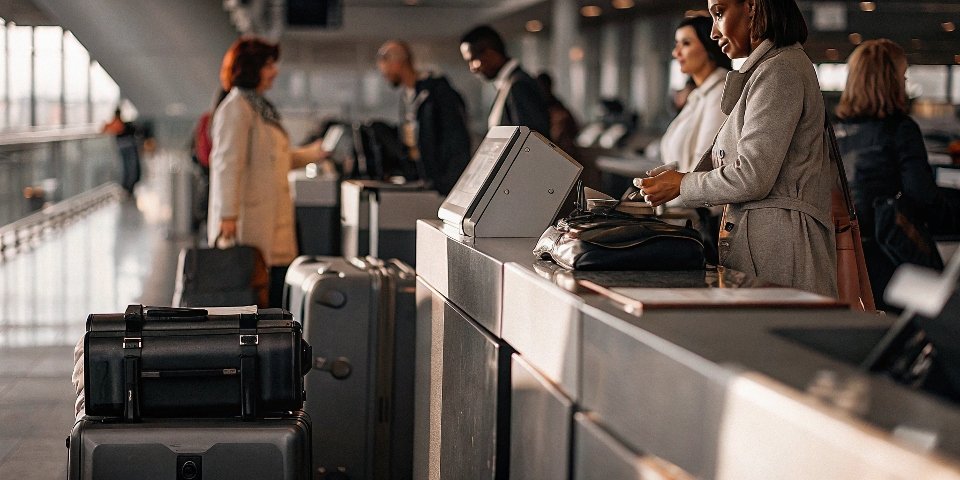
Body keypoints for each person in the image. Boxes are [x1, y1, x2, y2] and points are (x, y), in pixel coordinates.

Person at [635, 0, 837, 297]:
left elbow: (752, 175)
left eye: (719, 14)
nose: (714, 32)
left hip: (781, 248)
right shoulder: (769, 69)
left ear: (753, 7)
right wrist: (679, 180)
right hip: (771, 243)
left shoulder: (780, 70)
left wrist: (683, 184)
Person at [834, 39, 960, 309]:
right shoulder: (901, 129)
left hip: (847, 258)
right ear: (890, 81)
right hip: (891, 258)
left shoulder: (835, 133)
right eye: (902, 76)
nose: (905, 84)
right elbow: (923, 196)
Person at [207, 36, 329, 307]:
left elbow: (276, 159)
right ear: (251, 68)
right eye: (268, 64)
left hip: (271, 221)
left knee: (269, 294)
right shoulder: (236, 108)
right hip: (250, 224)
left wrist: (314, 154)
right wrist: (227, 216)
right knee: (250, 297)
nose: (274, 71)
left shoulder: (259, 108)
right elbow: (227, 164)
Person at [376, 40, 472, 195]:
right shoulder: (406, 97)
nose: (385, 75)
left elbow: (456, 140)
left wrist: (447, 183)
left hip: (441, 185)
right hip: (421, 181)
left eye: (386, 70)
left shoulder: (437, 93)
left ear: (399, 62)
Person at [660, 15, 732, 174]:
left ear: (708, 47)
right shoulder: (698, 96)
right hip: (681, 197)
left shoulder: (720, 93)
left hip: (693, 197)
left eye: (686, 43)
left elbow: (703, 165)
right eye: (676, 44)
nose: (676, 52)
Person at [460, 25, 550, 137]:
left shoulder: (519, 85)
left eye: (473, 60)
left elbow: (531, 143)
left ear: (490, 54)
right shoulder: (509, 84)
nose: (472, 68)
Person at [102, 107, 141, 195]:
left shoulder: (116, 123)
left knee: (126, 167)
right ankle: (128, 186)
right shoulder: (121, 123)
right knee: (130, 167)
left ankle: (127, 186)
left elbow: (104, 129)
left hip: (122, 147)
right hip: (129, 146)